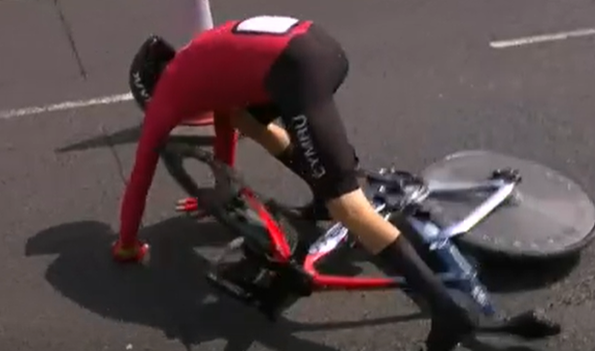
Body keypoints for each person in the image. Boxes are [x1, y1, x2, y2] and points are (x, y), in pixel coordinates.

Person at [115, 15, 476, 351]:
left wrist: (127, 244)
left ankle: (447, 312)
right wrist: (222, 181)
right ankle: (325, 187)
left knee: (349, 208)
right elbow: (227, 123)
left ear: (150, 94)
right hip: (316, 44)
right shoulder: (196, 57)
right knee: (248, 119)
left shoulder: (167, 95)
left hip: (299, 72)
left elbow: (140, 175)